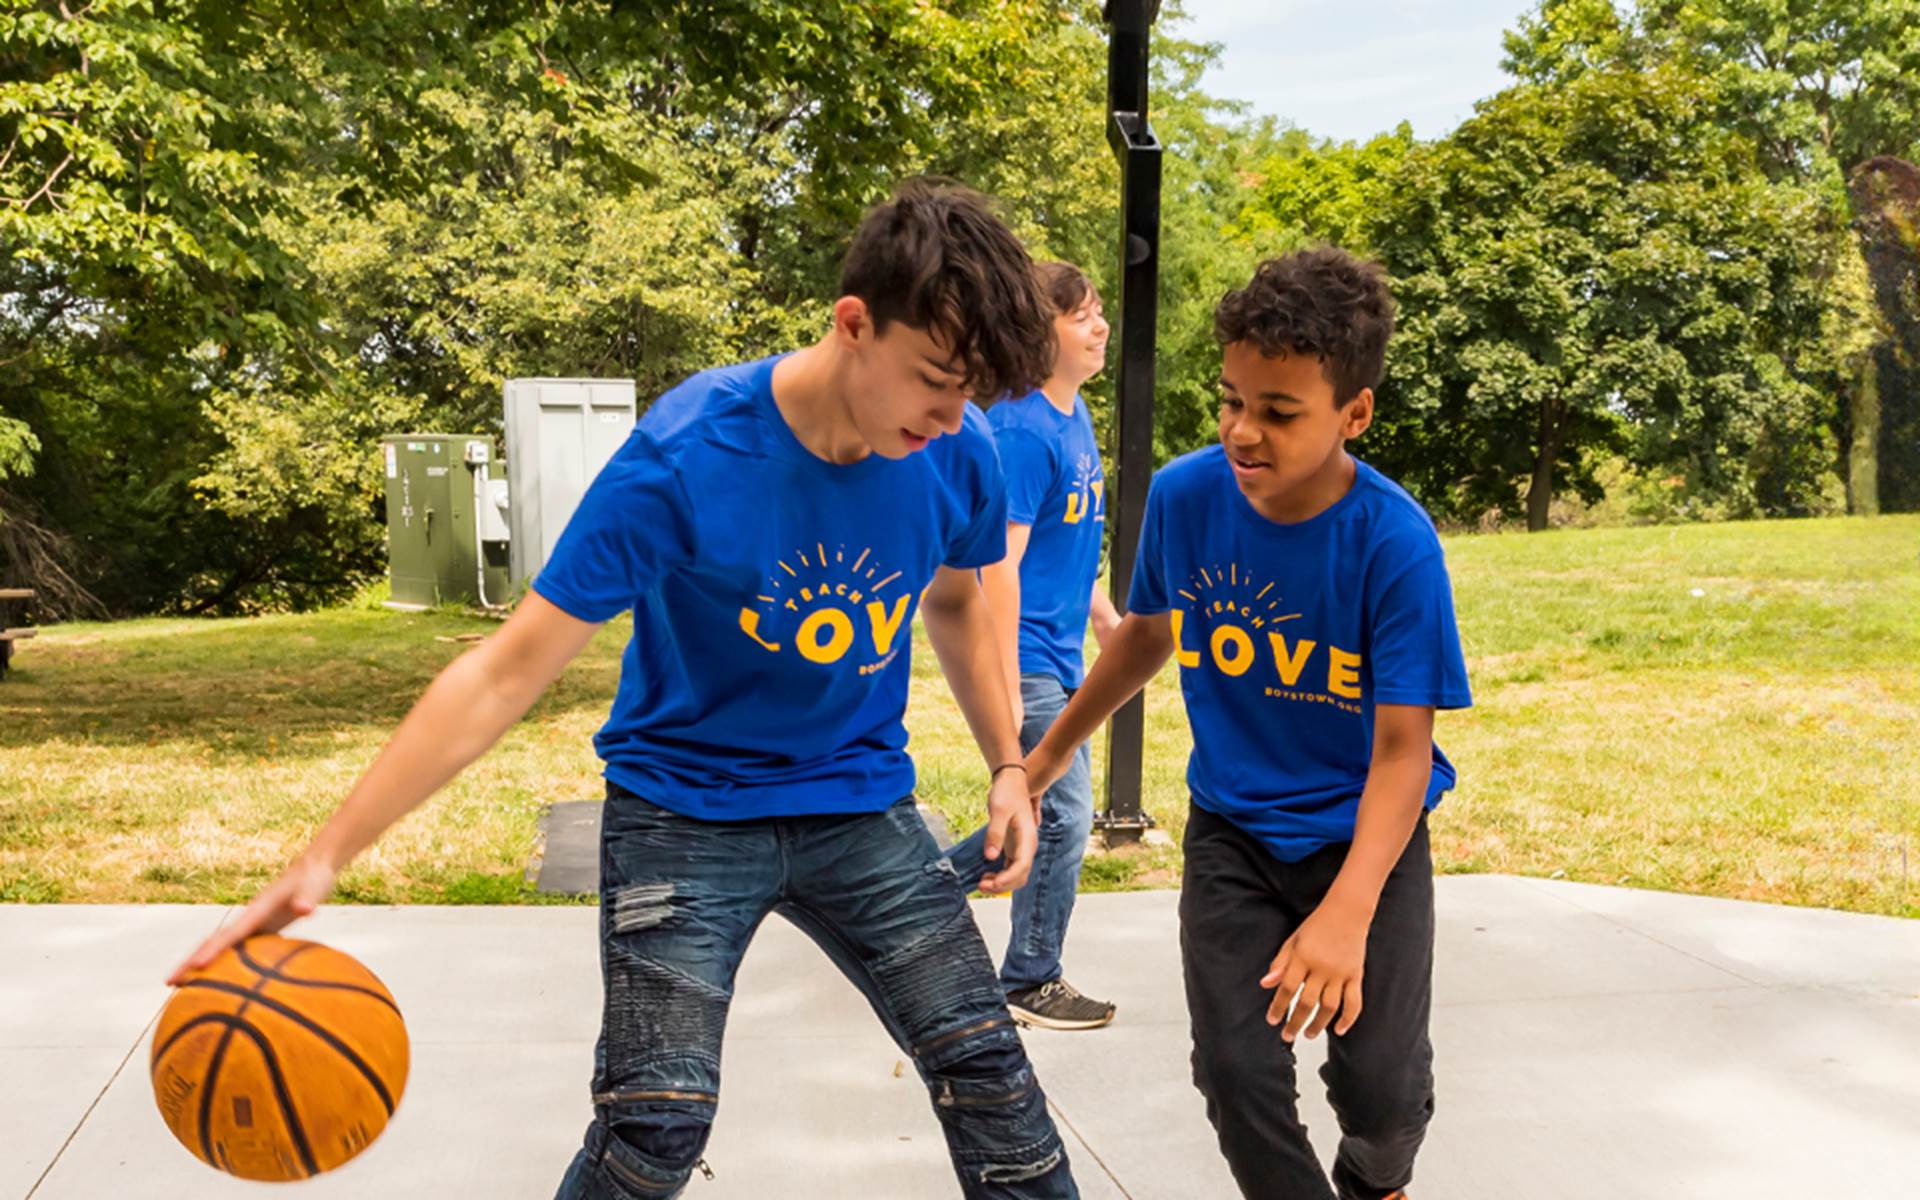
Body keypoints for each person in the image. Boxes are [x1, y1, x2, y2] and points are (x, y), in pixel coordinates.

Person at [172, 180, 1082, 1200]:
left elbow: (960, 603)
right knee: (656, 1125)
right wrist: (323, 858)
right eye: (932, 382)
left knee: (996, 1085)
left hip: (857, 801)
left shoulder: (958, 451)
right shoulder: (690, 454)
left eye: (969, 396)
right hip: (683, 810)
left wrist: (1008, 762)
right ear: (854, 323)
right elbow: (503, 671)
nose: (951, 417)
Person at [1023, 247, 1471, 1200]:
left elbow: (1402, 753)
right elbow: (1146, 636)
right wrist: (1047, 752)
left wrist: (1345, 916)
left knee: (1383, 1094)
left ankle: (1377, 1181)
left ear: (1355, 414)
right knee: (1235, 1072)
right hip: (1233, 834)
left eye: (1278, 412)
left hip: (1365, 842)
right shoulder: (1187, 497)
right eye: (1232, 400)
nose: (1243, 432)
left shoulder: (1393, 542)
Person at [947, 260, 1121, 1031]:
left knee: (1029, 814)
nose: (1100, 326)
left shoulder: (1071, 416)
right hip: (1030, 659)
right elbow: (998, 567)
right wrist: (1010, 681)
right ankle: (1030, 977)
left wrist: (1104, 616)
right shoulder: (1018, 428)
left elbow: (1065, 540)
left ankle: (904, 900)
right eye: (1081, 315)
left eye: (1100, 313)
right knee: (1062, 816)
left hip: (1063, 653)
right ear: (1038, 330)